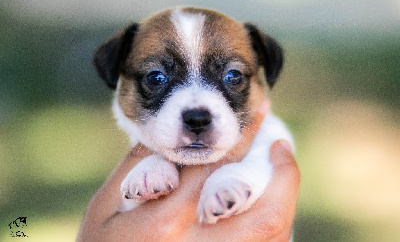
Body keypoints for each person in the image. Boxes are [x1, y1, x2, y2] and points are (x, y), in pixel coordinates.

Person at [77, 100, 300, 241]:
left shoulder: (267, 134)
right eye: (157, 79)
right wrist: (154, 162)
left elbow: (263, 169)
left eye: (232, 77)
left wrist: (233, 177)